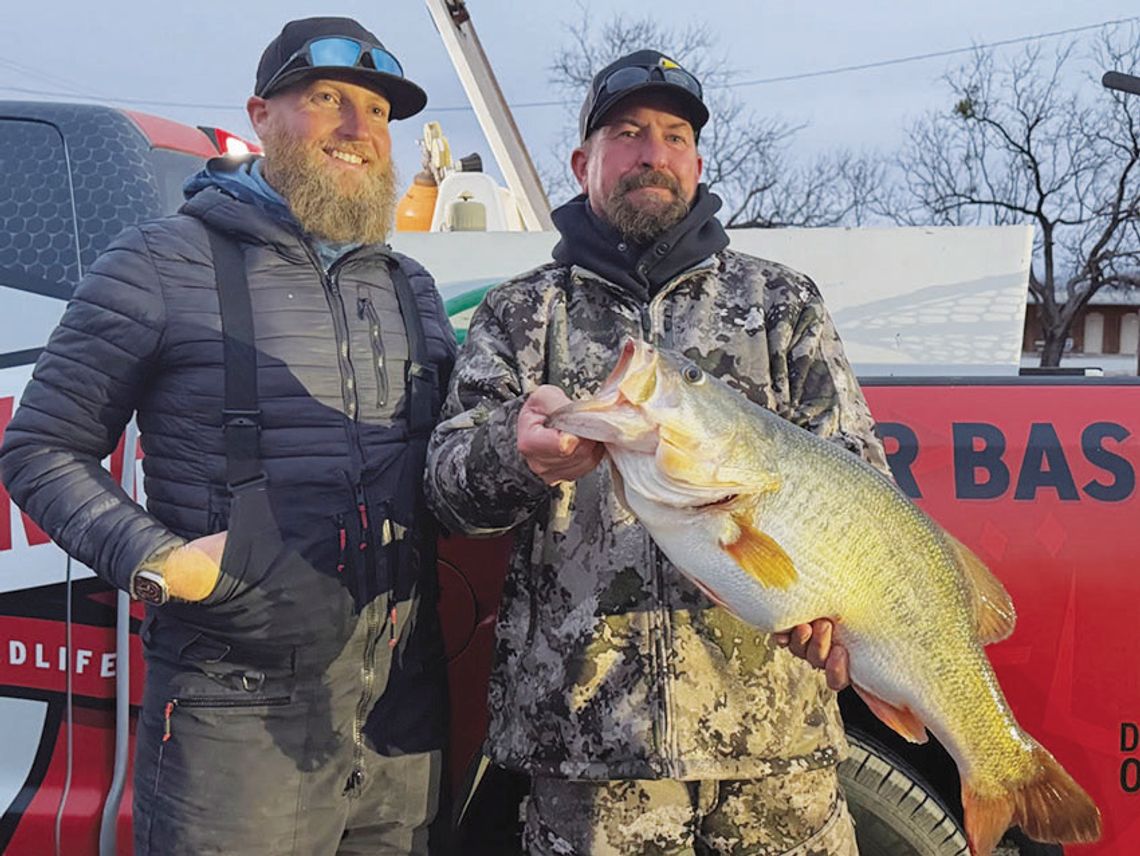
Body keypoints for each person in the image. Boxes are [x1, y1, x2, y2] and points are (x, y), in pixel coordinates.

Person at [0, 16, 456, 856]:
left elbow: (454, 468)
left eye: (377, 112)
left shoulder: (410, 288)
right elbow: (39, 449)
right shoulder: (157, 262)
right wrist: (158, 561)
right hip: (233, 721)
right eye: (327, 100)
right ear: (261, 115)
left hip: (396, 717)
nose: (359, 130)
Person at [426, 49, 890, 855]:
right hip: (590, 759)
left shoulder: (781, 302)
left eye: (675, 135)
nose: (654, 153)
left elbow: (858, 480)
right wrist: (515, 453)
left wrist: (837, 613)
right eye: (628, 132)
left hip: (775, 748)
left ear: (698, 161)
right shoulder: (522, 313)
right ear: (584, 161)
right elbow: (447, 488)